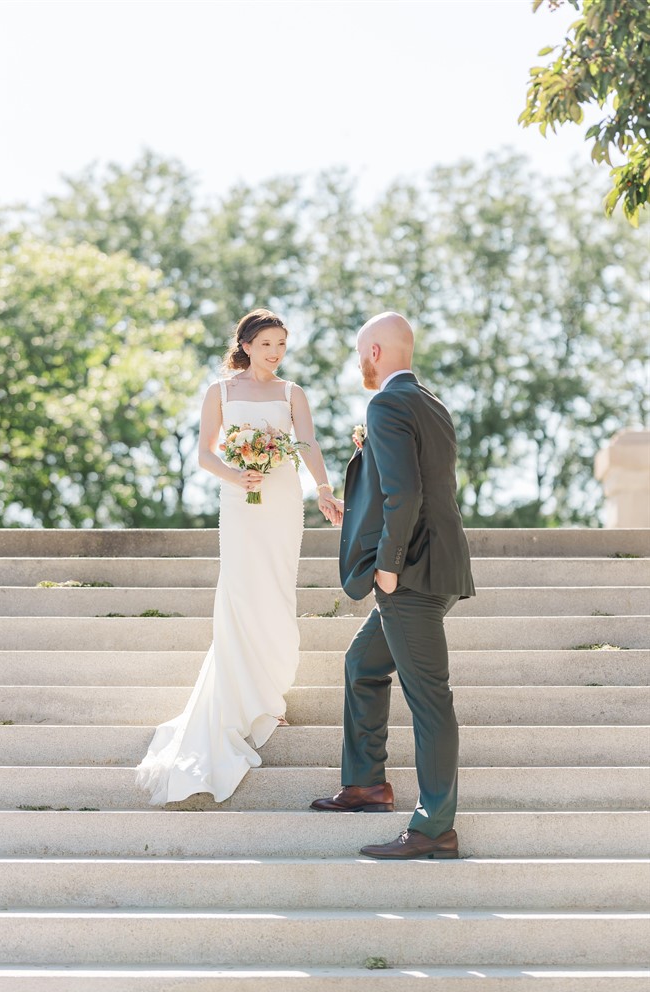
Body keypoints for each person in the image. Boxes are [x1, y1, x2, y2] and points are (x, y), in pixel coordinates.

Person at [136, 309, 343, 805]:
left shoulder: (293, 393)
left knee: (275, 589)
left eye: (282, 345)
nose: (275, 353)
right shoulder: (220, 392)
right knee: (241, 590)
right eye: (267, 343)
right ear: (247, 344)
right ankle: (246, 698)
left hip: (282, 500)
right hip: (240, 500)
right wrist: (237, 475)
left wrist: (323, 487)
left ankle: (269, 699)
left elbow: (307, 442)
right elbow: (206, 454)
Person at [311, 311, 475, 859]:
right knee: (363, 664)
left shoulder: (386, 403)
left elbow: (404, 495)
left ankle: (434, 828)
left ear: (376, 352)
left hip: (410, 573)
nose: (360, 361)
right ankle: (367, 785)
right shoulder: (432, 403)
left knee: (429, 700)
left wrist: (388, 564)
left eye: (362, 351)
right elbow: (413, 484)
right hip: (441, 567)